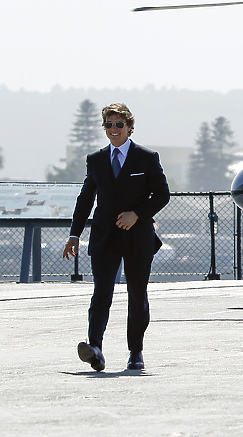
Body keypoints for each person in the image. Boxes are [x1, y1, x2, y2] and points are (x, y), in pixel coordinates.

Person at [63, 103, 170, 371]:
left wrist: (137, 214)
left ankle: (136, 352)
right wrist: (74, 234)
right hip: (104, 238)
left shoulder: (146, 157)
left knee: (137, 295)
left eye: (119, 125)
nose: (113, 129)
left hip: (137, 238)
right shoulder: (96, 160)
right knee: (101, 293)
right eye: (108, 125)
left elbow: (162, 195)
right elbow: (86, 198)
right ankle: (95, 348)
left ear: (129, 128)